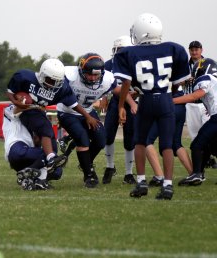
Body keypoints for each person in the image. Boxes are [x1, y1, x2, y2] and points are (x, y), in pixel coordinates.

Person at [114, 13, 191, 200]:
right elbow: (179, 80)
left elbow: (125, 83)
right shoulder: (174, 48)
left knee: (141, 141)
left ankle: (141, 182)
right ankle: (168, 185)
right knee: (166, 143)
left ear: (141, 32)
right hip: (165, 99)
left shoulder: (128, 53)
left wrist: (121, 106)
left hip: (146, 99)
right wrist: (169, 93)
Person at [57, 53, 136, 188]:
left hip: (87, 111)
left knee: (101, 139)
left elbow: (119, 90)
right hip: (67, 111)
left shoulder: (107, 79)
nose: (93, 78)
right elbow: (69, 101)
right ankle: (89, 175)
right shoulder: (69, 75)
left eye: (96, 75)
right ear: (81, 70)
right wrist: (88, 117)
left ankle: (85, 164)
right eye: (90, 74)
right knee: (82, 139)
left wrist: (129, 104)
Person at [7, 58, 98, 171]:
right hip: (26, 110)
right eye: (50, 80)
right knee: (45, 128)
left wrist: (87, 116)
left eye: (57, 81)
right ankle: (49, 158)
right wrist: (16, 102)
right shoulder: (25, 77)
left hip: (39, 111)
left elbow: (74, 105)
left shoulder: (62, 88)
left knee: (54, 153)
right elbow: (10, 91)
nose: (53, 85)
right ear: (42, 75)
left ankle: (40, 173)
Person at [175, 59, 217, 185]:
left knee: (197, 145)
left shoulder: (206, 78)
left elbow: (194, 96)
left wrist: (171, 101)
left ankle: (196, 174)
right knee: (212, 146)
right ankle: (199, 172)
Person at [2, 104, 62, 190]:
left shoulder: (33, 119)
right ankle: (37, 179)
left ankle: (29, 178)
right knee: (51, 154)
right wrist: (36, 106)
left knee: (57, 171)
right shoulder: (10, 108)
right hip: (16, 147)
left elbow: (37, 141)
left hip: (27, 154)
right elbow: (17, 109)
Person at [103, 36, 137, 185]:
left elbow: (139, 86)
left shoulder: (136, 63)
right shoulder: (108, 64)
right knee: (108, 135)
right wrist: (104, 96)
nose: (119, 52)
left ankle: (129, 173)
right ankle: (110, 167)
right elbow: (102, 83)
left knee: (130, 139)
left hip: (132, 102)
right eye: (117, 49)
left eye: (122, 49)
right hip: (115, 101)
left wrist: (133, 95)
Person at [184, 41, 217, 169]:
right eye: (192, 49)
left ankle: (199, 169)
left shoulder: (206, 67)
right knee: (197, 135)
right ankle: (201, 165)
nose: (194, 51)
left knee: (204, 138)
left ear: (201, 50)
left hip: (205, 105)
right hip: (195, 104)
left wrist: (171, 101)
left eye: (196, 49)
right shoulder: (185, 66)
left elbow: (198, 94)